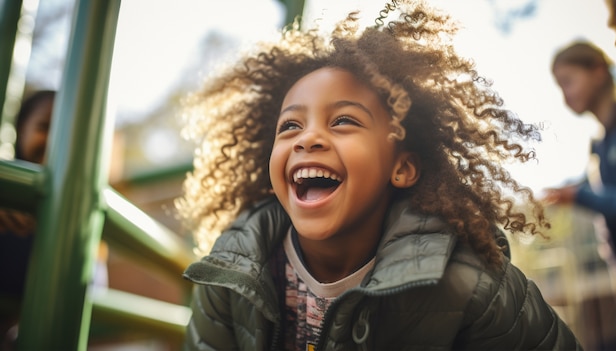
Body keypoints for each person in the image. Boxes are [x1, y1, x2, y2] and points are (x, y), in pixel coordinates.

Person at [177, 1, 581, 349]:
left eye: (344, 121)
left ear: (401, 167)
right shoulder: (230, 277)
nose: (309, 138)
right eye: (290, 126)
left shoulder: (469, 283)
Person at [0, 90, 108, 349]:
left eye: (66, 130)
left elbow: (94, 289)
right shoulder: (5, 187)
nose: (54, 140)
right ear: (21, 130)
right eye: (44, 126)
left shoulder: (83, 205)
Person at [544, 41, 616, 276]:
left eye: (568, 82)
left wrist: (579, 196)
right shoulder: (600, 144)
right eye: (560, 87)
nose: (565, 96)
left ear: (598, 72)